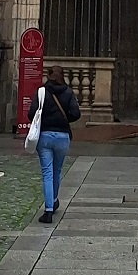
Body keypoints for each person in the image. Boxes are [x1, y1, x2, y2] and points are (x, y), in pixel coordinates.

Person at [36, 63, 81, 223]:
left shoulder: (42, 91)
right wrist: (64, 119)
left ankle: (48, 209)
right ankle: (54, 199)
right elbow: (76, 113)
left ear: (49, 75)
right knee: (57, 170)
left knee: (47, 172)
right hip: (62, 136)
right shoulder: (68, 92)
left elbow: (32, 113)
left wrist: (44, 119)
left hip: (45, 135)